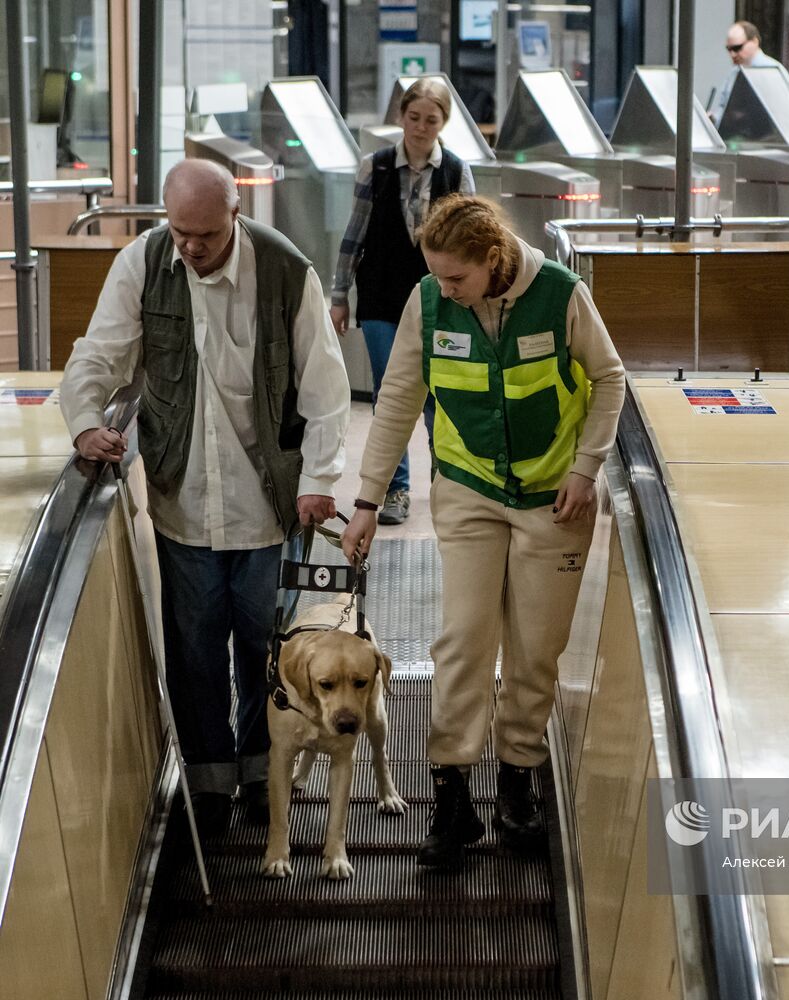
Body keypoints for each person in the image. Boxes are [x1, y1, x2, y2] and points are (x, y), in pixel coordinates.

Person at [61, 159, 350, 833]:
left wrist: (319, 482)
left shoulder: (283, 271)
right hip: (182, 494)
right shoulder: (143, 263)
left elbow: (325, 390)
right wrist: (83, 424)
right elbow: (97, 355)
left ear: (235, 218)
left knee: (264, 646)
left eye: (207, 235)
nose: (191, 246)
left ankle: (262, 773)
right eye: (180, 230)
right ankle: (210, 785)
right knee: (193, 647)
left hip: (268, 500)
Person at [340, 194, 625, 870]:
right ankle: (451, 791)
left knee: (534, 648)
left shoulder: (559, 294)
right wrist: (367, 502)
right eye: (435, 274)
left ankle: (517, 780)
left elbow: (609, 379)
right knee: (464, 639)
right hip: (468, 488)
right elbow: (398, 400)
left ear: (493, 259)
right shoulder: (429, 302)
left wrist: (586, 469)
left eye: (456, 277)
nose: (444, 288)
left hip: (552, 499)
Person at [331, 76, 475, 526]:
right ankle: (395, 488)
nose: (420, 127)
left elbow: (471, 236)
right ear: (401, 117)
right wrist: (339, 295)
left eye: (431, 119)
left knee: (441, 391)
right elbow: (354, 235)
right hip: (379, 296)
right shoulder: (373, 167)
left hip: (440, 297)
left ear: (443, 122)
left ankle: (445, 478)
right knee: (389, 392)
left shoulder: (454, 170)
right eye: (413, 117)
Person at [707, 20, 784, 126]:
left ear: (754, 42)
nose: (733, 54)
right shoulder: (734, 73)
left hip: (766, 137)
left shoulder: (772, 70)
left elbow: (779, 112)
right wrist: (714, 119)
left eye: (737, 48)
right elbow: (723, 105)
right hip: (736, 136)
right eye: (729, 49)